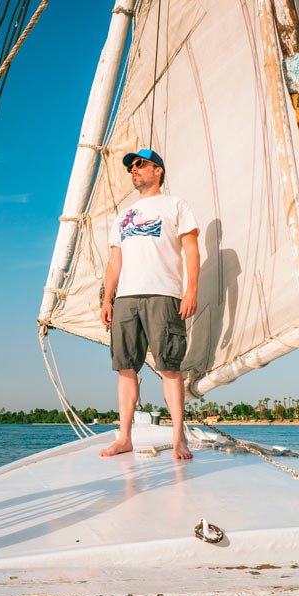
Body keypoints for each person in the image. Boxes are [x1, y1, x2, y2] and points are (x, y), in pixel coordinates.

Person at [99, 149, 200, 460]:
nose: (134, 170)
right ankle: (125, 437)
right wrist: (107, 298)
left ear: (158, 170)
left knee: (170, 366)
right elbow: (115, 260)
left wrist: (191, 291)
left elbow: (191, 250)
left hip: (164, 294)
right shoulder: (122, 216)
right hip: (126, 298)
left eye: (140, 164)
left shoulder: (175, 205)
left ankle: (179, 438)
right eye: (131, 166)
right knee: (126, 368)